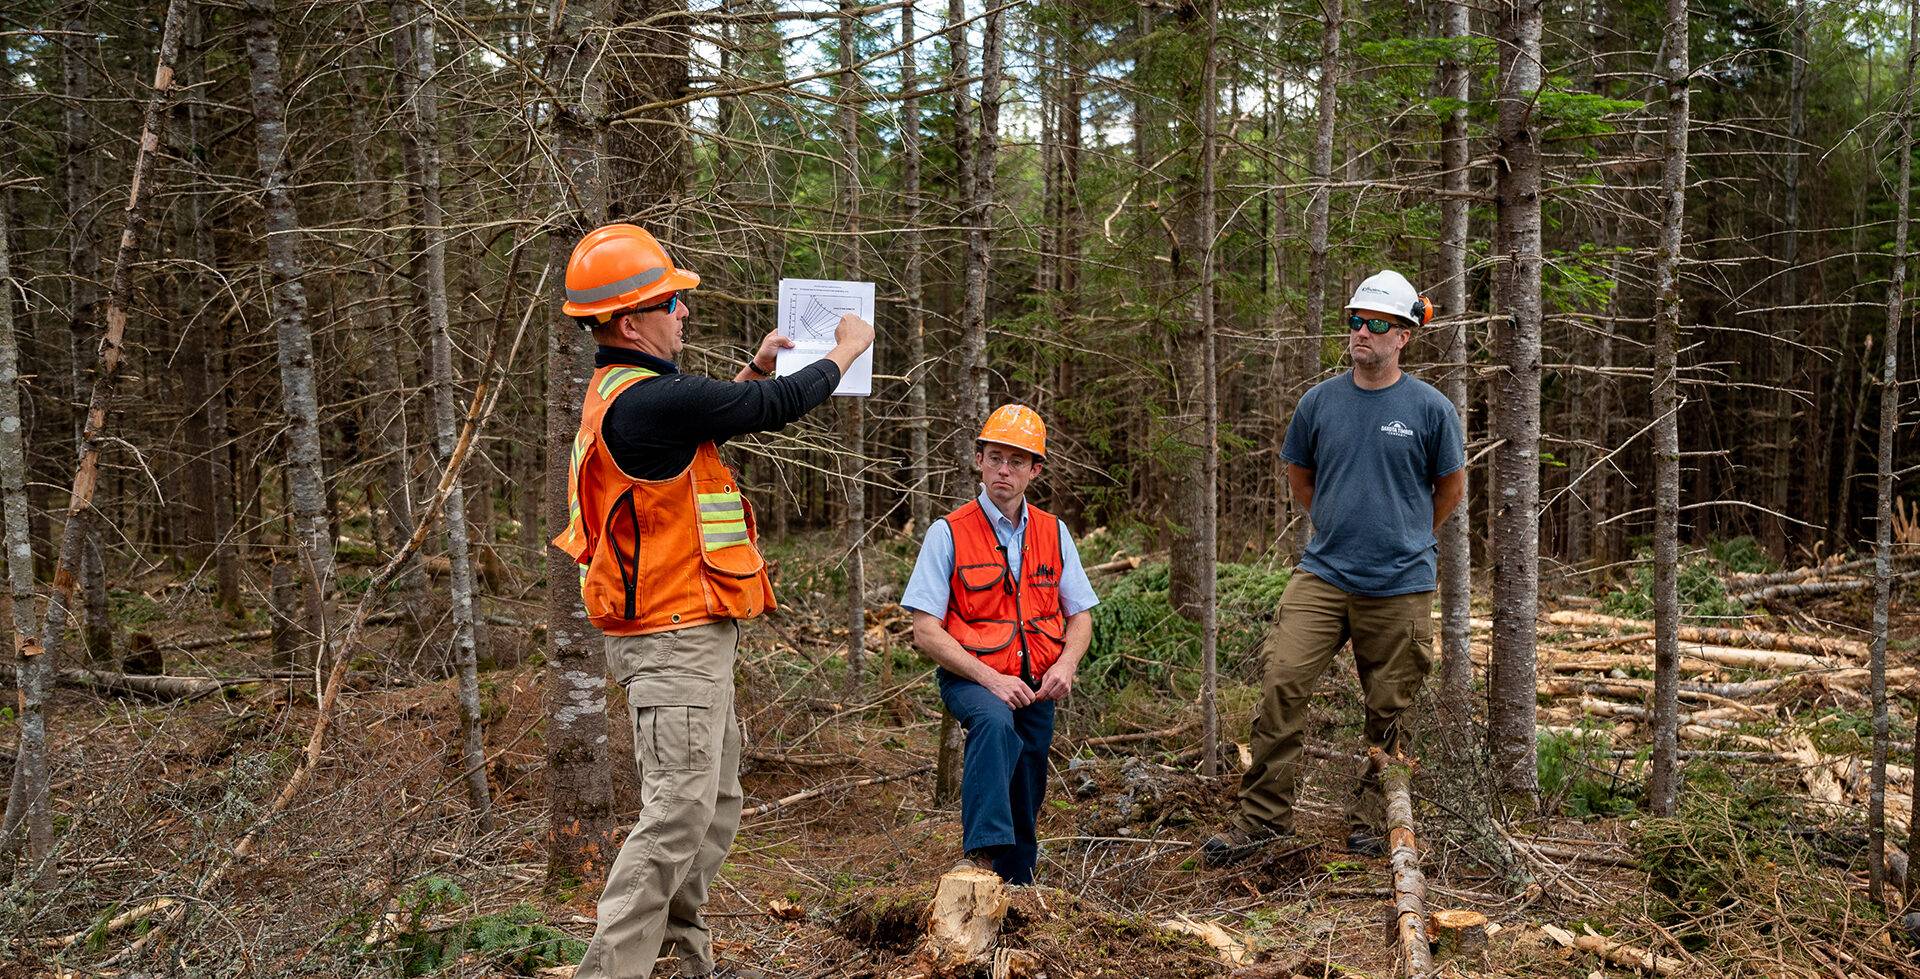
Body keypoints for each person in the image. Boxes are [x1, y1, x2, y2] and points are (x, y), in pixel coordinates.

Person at [554, 223, 873, 978]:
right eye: (672, 300)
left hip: (690, 633)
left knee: (712, 805)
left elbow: (710, 416)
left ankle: (676, 960)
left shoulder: (640, 397)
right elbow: (769, 406)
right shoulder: (642, 400)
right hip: (670, 639)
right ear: (631, 322)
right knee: (675, 818)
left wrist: (754, 366)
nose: (684, 311)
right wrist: (847, 347)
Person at [1203, 269, 1466, 866]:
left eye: (1376, 324)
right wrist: (1332, 517)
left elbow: (1450, 487)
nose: (1361, 333)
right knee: (1282, 683)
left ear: (1403, 335)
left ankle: (1374, 821)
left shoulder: (1430, 409)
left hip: (1401, 583)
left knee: (1390, 707)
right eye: (1355, 321)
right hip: (1324, 574)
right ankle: (1263, 818)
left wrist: (1410, 535)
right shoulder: (1319, 402)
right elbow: (1301, 476)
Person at [900, 405, 1099, 885]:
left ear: (1035, 469)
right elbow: (924, 630)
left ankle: (1018, 885)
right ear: (979, 461)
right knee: (994, 724)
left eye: (1016, 460)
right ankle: (981, 858)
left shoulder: (1054, 532)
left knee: (1028, 777)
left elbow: (1081, 617)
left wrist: (1066, 665)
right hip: (972, 676)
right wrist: (991, 678)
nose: (1003, 470)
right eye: (995, 458)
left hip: (1037, 681)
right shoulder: (948, 532)